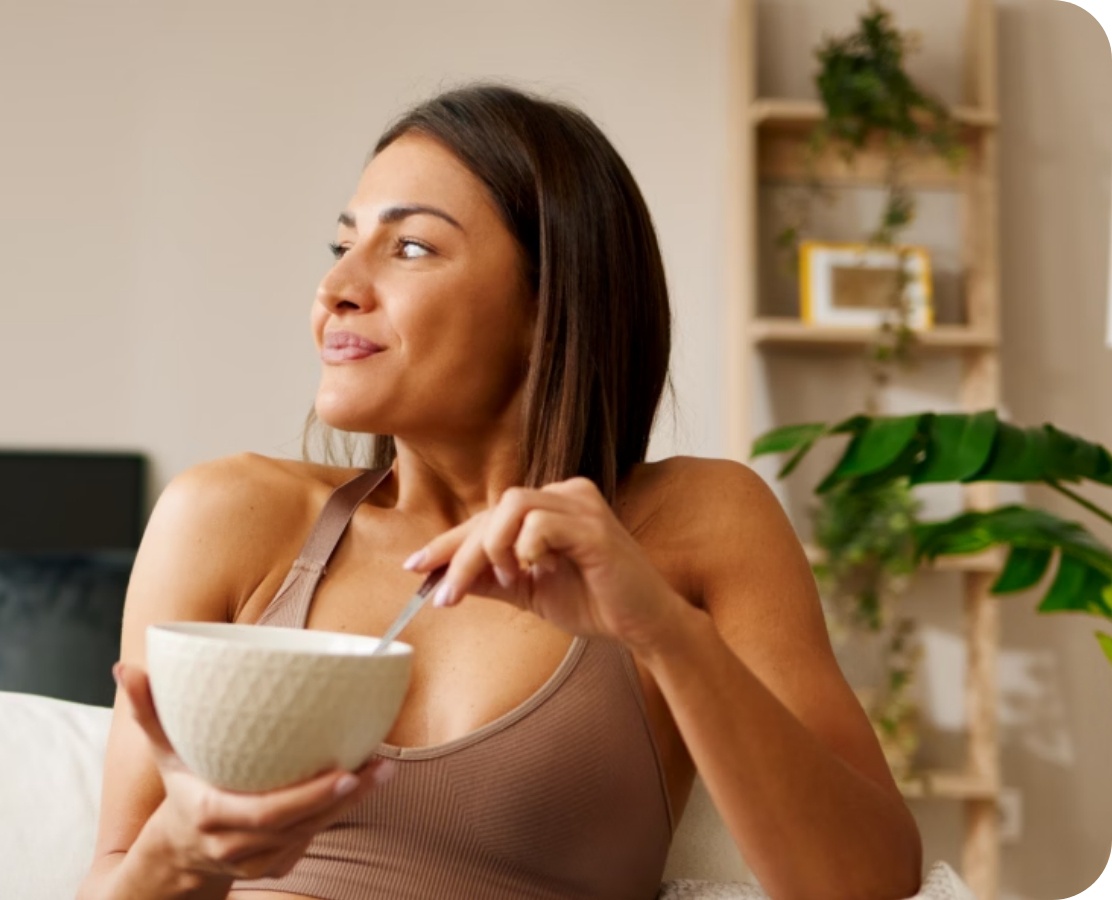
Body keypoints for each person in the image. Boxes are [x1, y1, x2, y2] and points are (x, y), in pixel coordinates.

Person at [76, 82, 923, 900]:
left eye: (410, 247)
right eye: (342, 246)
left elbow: (869, 885)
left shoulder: (695, 526)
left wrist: (663, 630)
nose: (336, 289)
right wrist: (182, 854)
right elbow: (112, 880)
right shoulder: (228, 517)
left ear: (547, 300)